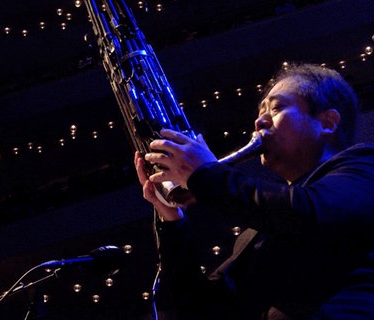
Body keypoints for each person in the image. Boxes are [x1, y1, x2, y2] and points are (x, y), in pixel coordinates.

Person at [134, 62, 374, 319]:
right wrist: (172, 221)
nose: (259, 121)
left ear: (327, 122)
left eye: (277, 107)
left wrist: (207, 174)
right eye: (261, 111)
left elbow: (308, 213)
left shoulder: (364, 165)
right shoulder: (255, 235)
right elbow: (199, 308)